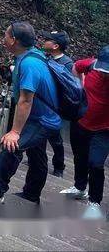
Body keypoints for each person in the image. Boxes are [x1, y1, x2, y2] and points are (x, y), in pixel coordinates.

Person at [0, 22, 62, 216]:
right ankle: (32, 194)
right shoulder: (32, 56)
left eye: (5, 35)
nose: (3, 38)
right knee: (37, 154)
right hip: (46, 117)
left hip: (41, 121)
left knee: (11, 148)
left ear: (14, 40)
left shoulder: (29, 63)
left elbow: (25, 100)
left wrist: (15, 132)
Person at [59, 46, 109, 220]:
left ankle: (94, 202)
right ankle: (80, 188)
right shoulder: (90, 64)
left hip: (104, 130)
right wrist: (80, 85)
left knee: (95, 163)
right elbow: (76, 67)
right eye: (103, 70)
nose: (104, 74)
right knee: (79, 156)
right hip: (80, 122)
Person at [40, 30, 74, 177]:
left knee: (55, 139)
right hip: (42, 102)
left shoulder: (67, 63)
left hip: (56, 107)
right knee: (38, 132)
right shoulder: (47, 58)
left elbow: (68, 88)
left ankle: (59, 166)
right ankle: (37, 159)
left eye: (47, 39)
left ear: (55, 46)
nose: (43, 41)